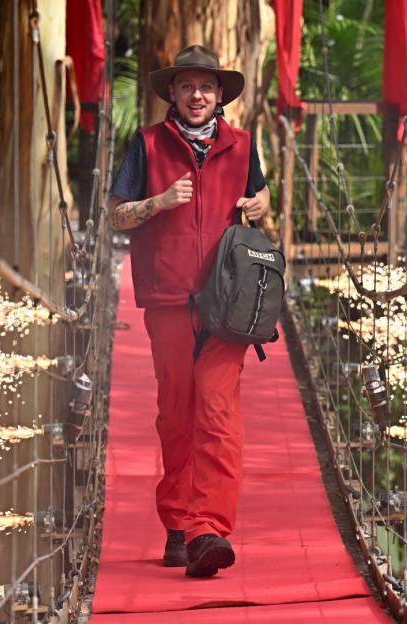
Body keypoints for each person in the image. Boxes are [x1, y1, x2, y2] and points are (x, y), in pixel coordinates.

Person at [108, 44, 270, 578]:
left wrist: (262, 203)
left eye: (206, 86)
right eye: (186, 86)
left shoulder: (243, 146)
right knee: (176, 413)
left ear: (219, 94)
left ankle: (208, 530)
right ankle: (177, 522)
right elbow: (116, 216)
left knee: (218, 414)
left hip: (230, 301)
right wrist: (158, 203)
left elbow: (261, 200)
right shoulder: (147, 144)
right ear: (172, 94)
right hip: (169, 297)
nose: (197, 95)